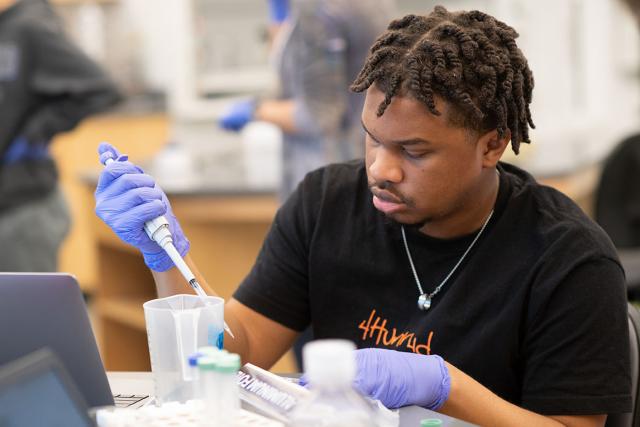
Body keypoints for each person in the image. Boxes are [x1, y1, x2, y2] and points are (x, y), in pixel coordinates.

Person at [95, 6, 631, 426]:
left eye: (414, 152)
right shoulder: (326, 202)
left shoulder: (568, 257)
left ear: (493, 145)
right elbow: (233, 354)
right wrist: (166, 256)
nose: (381, 169)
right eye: (372, 141)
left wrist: (446, 386)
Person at [218, 0, 394, 198]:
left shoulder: (319, 12)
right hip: (361, 164)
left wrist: (255, 110)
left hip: (327, 177)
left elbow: (318, 116)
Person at [0, 0, 121, 271]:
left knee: (27, 310)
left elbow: (100, 88)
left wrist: (34, 133)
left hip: (22, 207)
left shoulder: (29, 29)